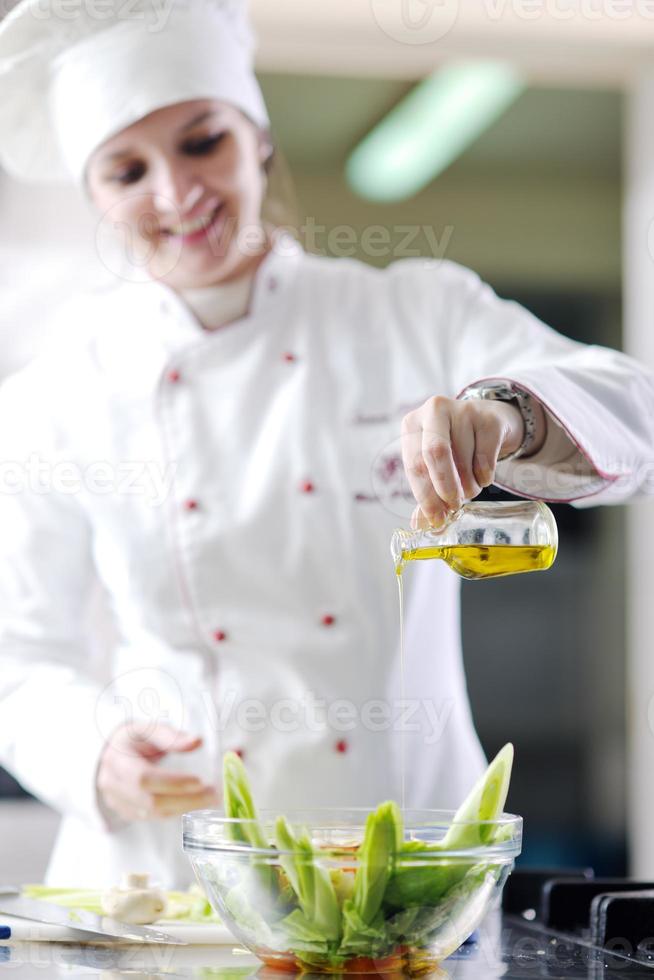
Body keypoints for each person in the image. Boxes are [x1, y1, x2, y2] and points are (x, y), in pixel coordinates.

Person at [0, 0, 651, 888]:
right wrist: (97, 752)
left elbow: (635, 408)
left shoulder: (415, 312)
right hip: (169, 879)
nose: (176, 194)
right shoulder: (56, 394)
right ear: (95, 198)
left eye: (203, 143)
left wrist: (509, 415)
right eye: (125, 170)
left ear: (257, 137)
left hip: (404, 871)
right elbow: (20, 658)